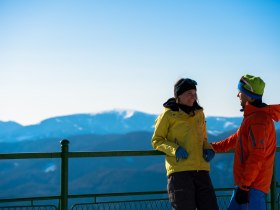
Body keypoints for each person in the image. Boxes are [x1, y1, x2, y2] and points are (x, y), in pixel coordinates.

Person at [211, 74, 280, 210]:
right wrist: (212, 147)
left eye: (240, 92)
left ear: (249, 96)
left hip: (251, 188)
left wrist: (244, 186)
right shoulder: (253, 117)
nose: (237, 95)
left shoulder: (259, 120)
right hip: (246, 185)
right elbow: (235, 139)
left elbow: (257, 156)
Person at [151, 78, 219, 210]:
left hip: (201, 169)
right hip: (179, 171)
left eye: (195, 94)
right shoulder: (168, 114)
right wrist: (175, 149)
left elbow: (204, 138)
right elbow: (157, 140)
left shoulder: (199, 113)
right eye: (189, 93)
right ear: (179, 95)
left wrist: (208, 148)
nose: (193, 97)